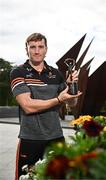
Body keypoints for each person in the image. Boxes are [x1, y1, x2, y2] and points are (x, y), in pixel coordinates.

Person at [10, 32, 82, 179]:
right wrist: (58, 99)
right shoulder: (18, 72)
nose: (37, 51)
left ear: (46, 49)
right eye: (33, 47)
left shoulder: (56, 74)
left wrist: (71, 85)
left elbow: (72, 102)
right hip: (30, 139)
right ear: (27, 50)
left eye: (40, 47)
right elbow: (28, 106)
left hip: (56, 137)